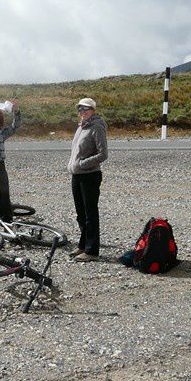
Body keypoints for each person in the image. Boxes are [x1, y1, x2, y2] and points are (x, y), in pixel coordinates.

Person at [67, 97, 108, 262]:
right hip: (77, 175)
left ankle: (92, 251)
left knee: (90, 213)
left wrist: (83, 164)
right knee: (81, 213)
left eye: (85, 109)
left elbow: (103, 154)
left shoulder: (97, 127)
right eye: (80, 109)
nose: (82, 112)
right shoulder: (81, 127)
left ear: (93, 110)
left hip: (89, 175)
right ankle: (83, 245)